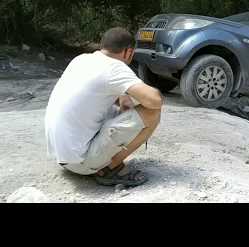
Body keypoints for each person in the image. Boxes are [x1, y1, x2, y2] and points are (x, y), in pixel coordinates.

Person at [45, 27, 163, 187]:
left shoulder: (81, 59)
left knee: (115, 108)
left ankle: (99, 160)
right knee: (152, 113)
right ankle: (109, 169)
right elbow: (154, 101)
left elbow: (101, 90)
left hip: (62, 156)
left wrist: (124, 97)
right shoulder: (115, 67)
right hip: (81, 163)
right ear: (128, 52)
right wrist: (155, 89)